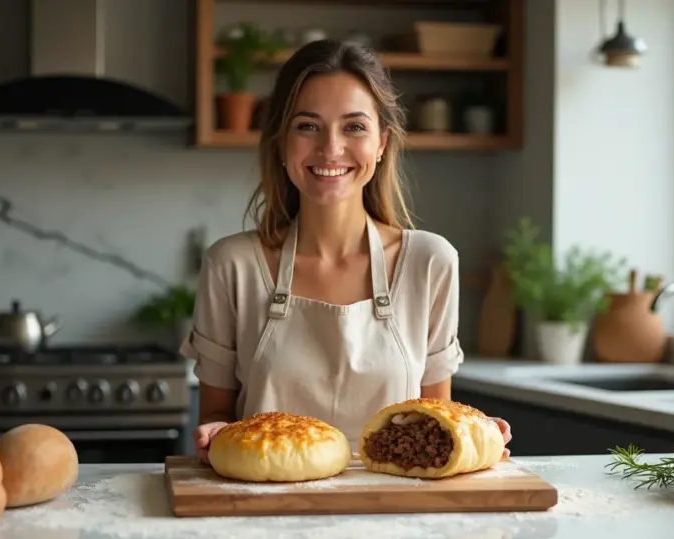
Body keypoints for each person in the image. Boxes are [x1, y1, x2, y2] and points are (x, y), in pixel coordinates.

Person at [180, 39, 512, 463]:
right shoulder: (232, 265)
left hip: (393, 516)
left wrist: (473, 437)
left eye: (354, 127)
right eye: (307, 125)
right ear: (282, 140)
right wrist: (214, 432)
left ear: (381, 142)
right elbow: (218, 419)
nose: (331, 149)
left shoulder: (430, 263)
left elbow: (436, 419)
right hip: (266, 517)